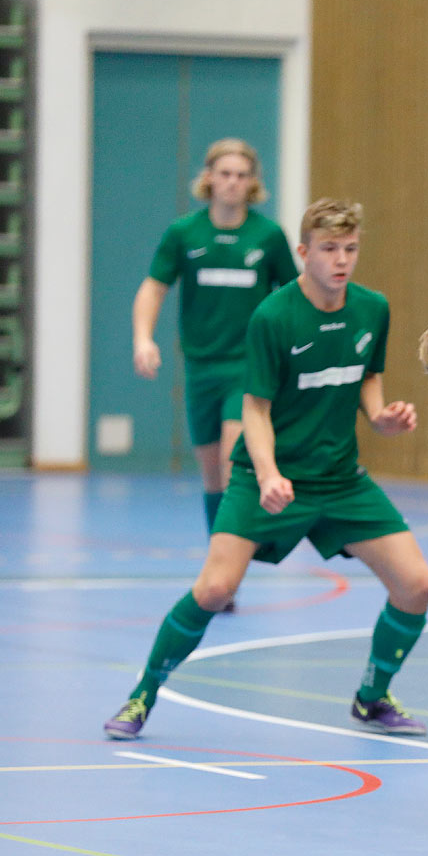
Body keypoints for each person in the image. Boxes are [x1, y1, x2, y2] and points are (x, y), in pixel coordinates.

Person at [104, 199, 428, 740]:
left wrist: (381, 417)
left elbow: (366, 376)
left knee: (417, 584)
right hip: (268, 479)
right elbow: (254, 408)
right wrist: (267, 474)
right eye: (329, 249)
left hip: (339, 479)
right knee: (213, 590)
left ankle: (372, 698)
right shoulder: (274, 317)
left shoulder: (373, 308)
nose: (341, 260)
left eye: (350, 250)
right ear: (304, 253)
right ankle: (142, 694)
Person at [131, 138, 300, 561]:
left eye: (241, 176)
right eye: (224, 174)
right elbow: (153, 288)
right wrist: (143, 338)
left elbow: (294, 297)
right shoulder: (184, 233)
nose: (232, 183)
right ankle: (220, 556)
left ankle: (231, 562)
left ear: (253, 183)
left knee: (230, 461)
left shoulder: (268, 236)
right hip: (201, 368)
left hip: (247, 368)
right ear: (209, 178)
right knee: (211, 474)